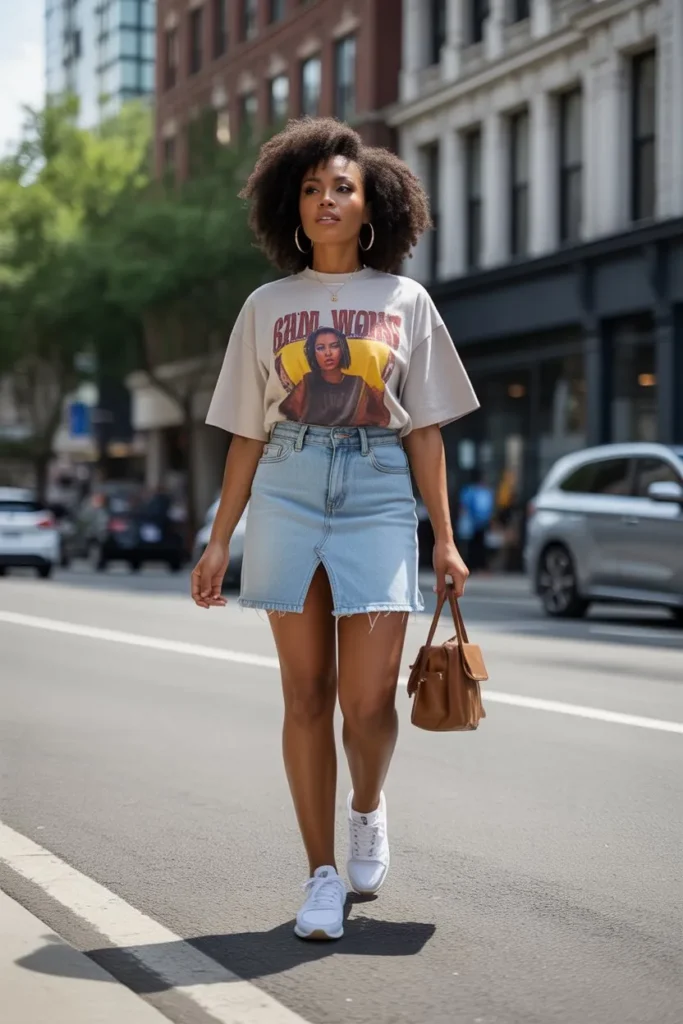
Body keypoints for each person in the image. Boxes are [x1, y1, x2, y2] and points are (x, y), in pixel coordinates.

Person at [191, 118, 480, 942]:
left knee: (365, 702)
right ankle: (320, 875)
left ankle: (366, 805)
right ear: (292, 202)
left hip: (380, 488)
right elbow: (247, 430)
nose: (326, 200)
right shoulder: (265, 307)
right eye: (312, 187)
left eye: (341, 188)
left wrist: (445, 539)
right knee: (305, 693)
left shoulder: (405, 302)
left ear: (370, 206)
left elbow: (424, 428)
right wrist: (221, 537)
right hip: (285, 482)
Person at [279, 326, 390, 426]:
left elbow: (378, 417)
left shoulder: (357, 383)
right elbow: (288, 411)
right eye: (321, 348)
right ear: (313, 353)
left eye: (334, 346)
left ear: (342, 350)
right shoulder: (308, 381)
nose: (328, 353)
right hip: (308, 440)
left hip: (357, 440)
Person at [459, 470, 494, 573]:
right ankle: (476, 565)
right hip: (478, 522)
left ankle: (475, 565)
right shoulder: (482, 492)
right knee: (476, 545)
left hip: (476, 522)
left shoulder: (470, 491)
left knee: (475, 545)